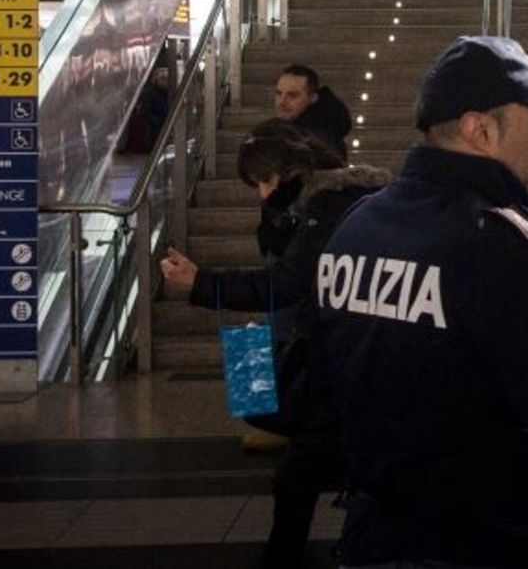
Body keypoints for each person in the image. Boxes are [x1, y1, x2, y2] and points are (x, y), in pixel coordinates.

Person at [316, 36, 528, 568]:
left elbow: (323, 382)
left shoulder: (356, 228)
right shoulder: (496, 247)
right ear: (481, 131)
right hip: (486, 540)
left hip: (373, 536)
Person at [160, 119, 391, 569]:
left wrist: (201, 282)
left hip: (345, 360)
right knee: (311, 472)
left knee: (300, 476)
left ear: (294, 168)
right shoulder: (320, 201)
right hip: (347, 353)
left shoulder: (328, 206)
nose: (263, 193)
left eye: (266, 181)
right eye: (255, 186)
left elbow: (286, 282)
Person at [264, 66, 354, 259]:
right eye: (279, 94)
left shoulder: (317, 141)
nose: (282, 102)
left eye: (292, 95)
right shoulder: (295, 133)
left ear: (313, 98)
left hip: (299, 244)